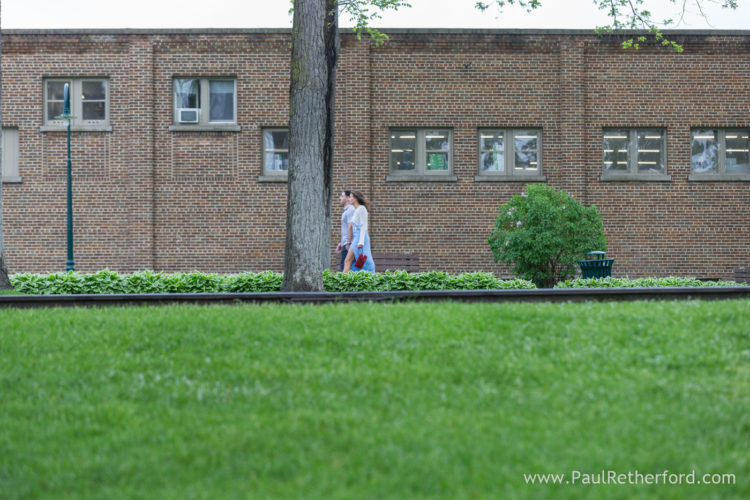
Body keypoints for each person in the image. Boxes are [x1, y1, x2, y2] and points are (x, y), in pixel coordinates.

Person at [343, 190, 376, 273]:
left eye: (350, 197)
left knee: (348, 261)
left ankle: (341, 281)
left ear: (356, 198)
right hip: (356, 237)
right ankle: (346, 280)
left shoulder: (362, 209)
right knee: (350, 261)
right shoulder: (356, 210)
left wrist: (360, 242)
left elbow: (363, 226)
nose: (348, 199)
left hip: (361, 237)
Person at [336, 190, 354, 272]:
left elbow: (351, 227)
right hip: (345, 243)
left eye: (342, 196)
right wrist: (341, 242)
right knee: (343, 269)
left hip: (348, 244)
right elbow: (345, 229)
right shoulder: (346, 210)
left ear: (347, 198)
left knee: (344, 270)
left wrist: (348, 242)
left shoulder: (350, 210)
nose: (340, 198)